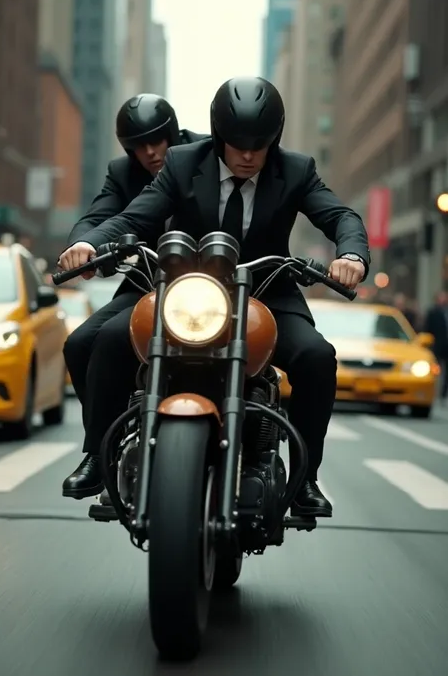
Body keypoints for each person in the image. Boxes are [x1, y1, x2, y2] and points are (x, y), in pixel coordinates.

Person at [58, 76, 370, 517]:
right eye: (237, 143)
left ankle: (306, 479)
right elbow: (138, 213)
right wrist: (90, 245)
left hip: (266, 294)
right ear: (218, 135)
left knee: (318, 356)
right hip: (187, 293)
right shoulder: (184, 163)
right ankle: (97, 456)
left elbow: (340, 215)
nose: (247, 155)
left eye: (258, 145)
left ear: (274, 140)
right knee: (109, 337)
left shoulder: (296, 169)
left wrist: (352, 254)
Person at [60, 94, 207, 498]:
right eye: (138, 145)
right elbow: (97, 217)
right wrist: (83, 247)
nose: (150, 151)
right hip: (148, 282)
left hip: (215, 289)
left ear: (173, 134)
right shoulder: (122, 172)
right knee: (80, 343)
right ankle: (101, 449)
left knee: (112, 338)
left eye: (158, 140)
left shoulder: (209, 154)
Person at [424, 291, 448, 403]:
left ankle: (443, 393)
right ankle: (434, 392)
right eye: (441, 298)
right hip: (436, 346)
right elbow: (427, 329)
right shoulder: (432, 313)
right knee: (435, 369)